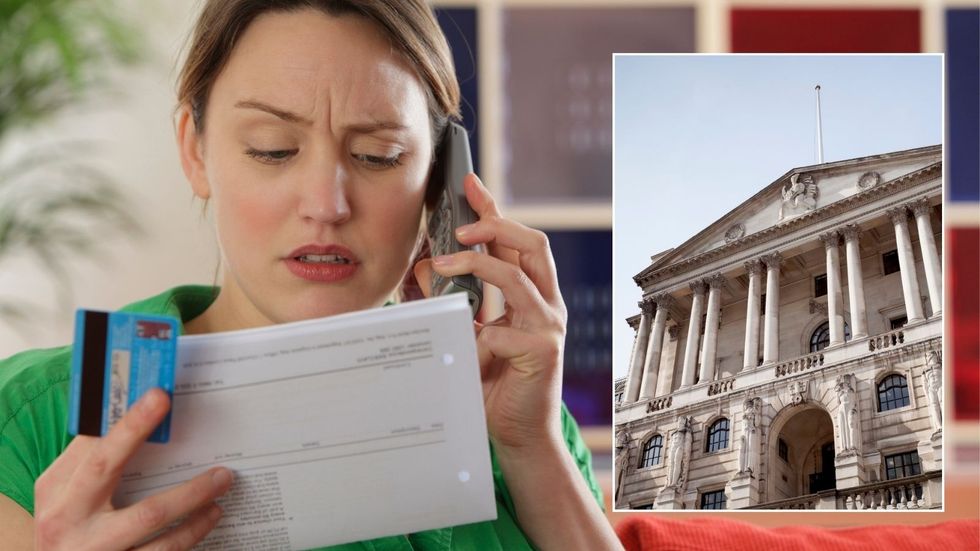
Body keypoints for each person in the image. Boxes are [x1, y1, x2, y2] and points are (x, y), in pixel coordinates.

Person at [0, 1, 622, 549]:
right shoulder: (33, 417)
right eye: (272, 147)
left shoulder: (511, 410)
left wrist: (529, 444)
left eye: (378, 156)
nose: (326, 203)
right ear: (196, 151)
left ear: (439, 182)